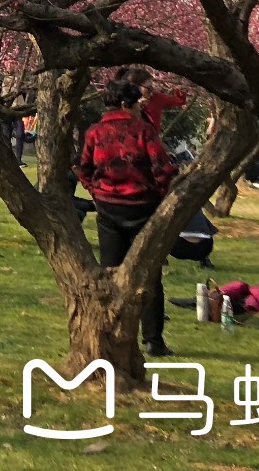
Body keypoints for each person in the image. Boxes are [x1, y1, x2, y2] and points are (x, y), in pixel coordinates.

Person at [77, 76, 177, 358]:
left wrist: (95, 190)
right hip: (141, 206)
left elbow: (83, 167)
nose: (140, 108)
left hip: (108, 208)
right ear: (126, 103)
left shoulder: (94, 132)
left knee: (111, 272)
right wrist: (162, 192)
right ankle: (153, 340)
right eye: (137, 104)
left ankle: (110, 332)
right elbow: (161, 168)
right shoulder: (143, 131)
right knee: (148, 274)